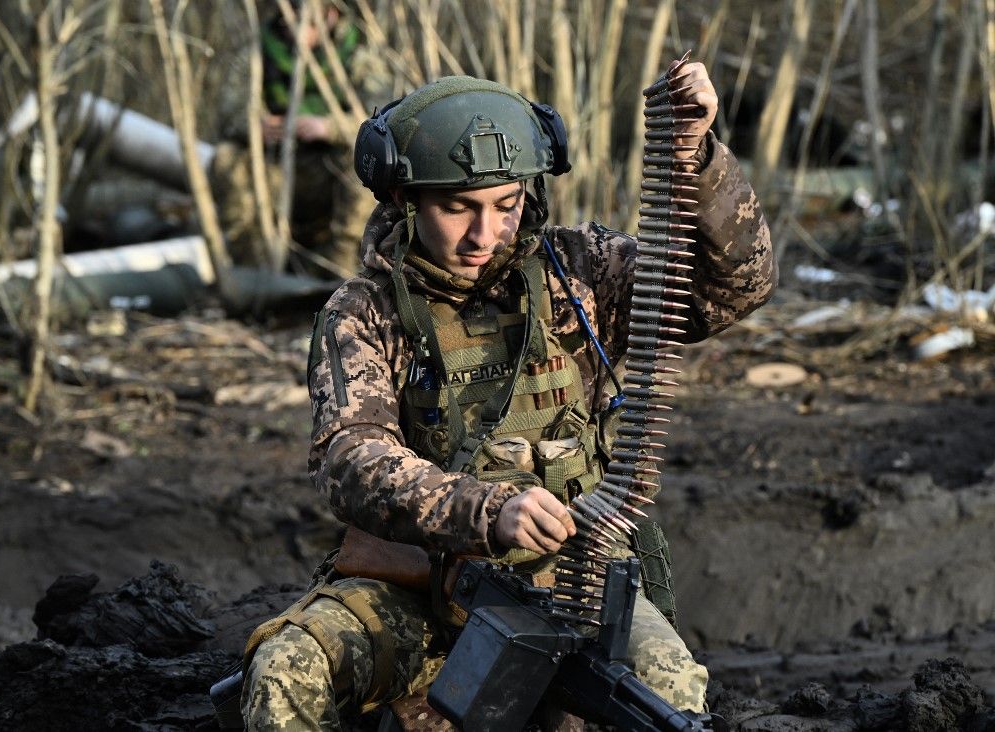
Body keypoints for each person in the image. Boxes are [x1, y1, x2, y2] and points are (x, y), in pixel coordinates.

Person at [242, 65, 775, 730]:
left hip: (574, 581)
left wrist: (697, 157)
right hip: (425, 589)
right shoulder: (366, 312)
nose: (483, 234)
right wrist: (485, 509)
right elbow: (351, 458)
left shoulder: (580, 274)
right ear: (405, 199)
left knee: (664, 694)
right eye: (457, 208)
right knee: (286, 669)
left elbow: (731, 288)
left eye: (506, 204)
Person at [215, 2, 388, 278]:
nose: (295, 25)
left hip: (329, 173)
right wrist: (255, 126)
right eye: (291, 16)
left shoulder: (358, 55)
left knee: (363, 158)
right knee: (227, 157)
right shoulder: (258, 52)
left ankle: (340, 271)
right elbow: (226, 116)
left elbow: (383, 122)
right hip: (274, 171)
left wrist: (330, 127)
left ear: (332, 14)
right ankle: (254, 273)